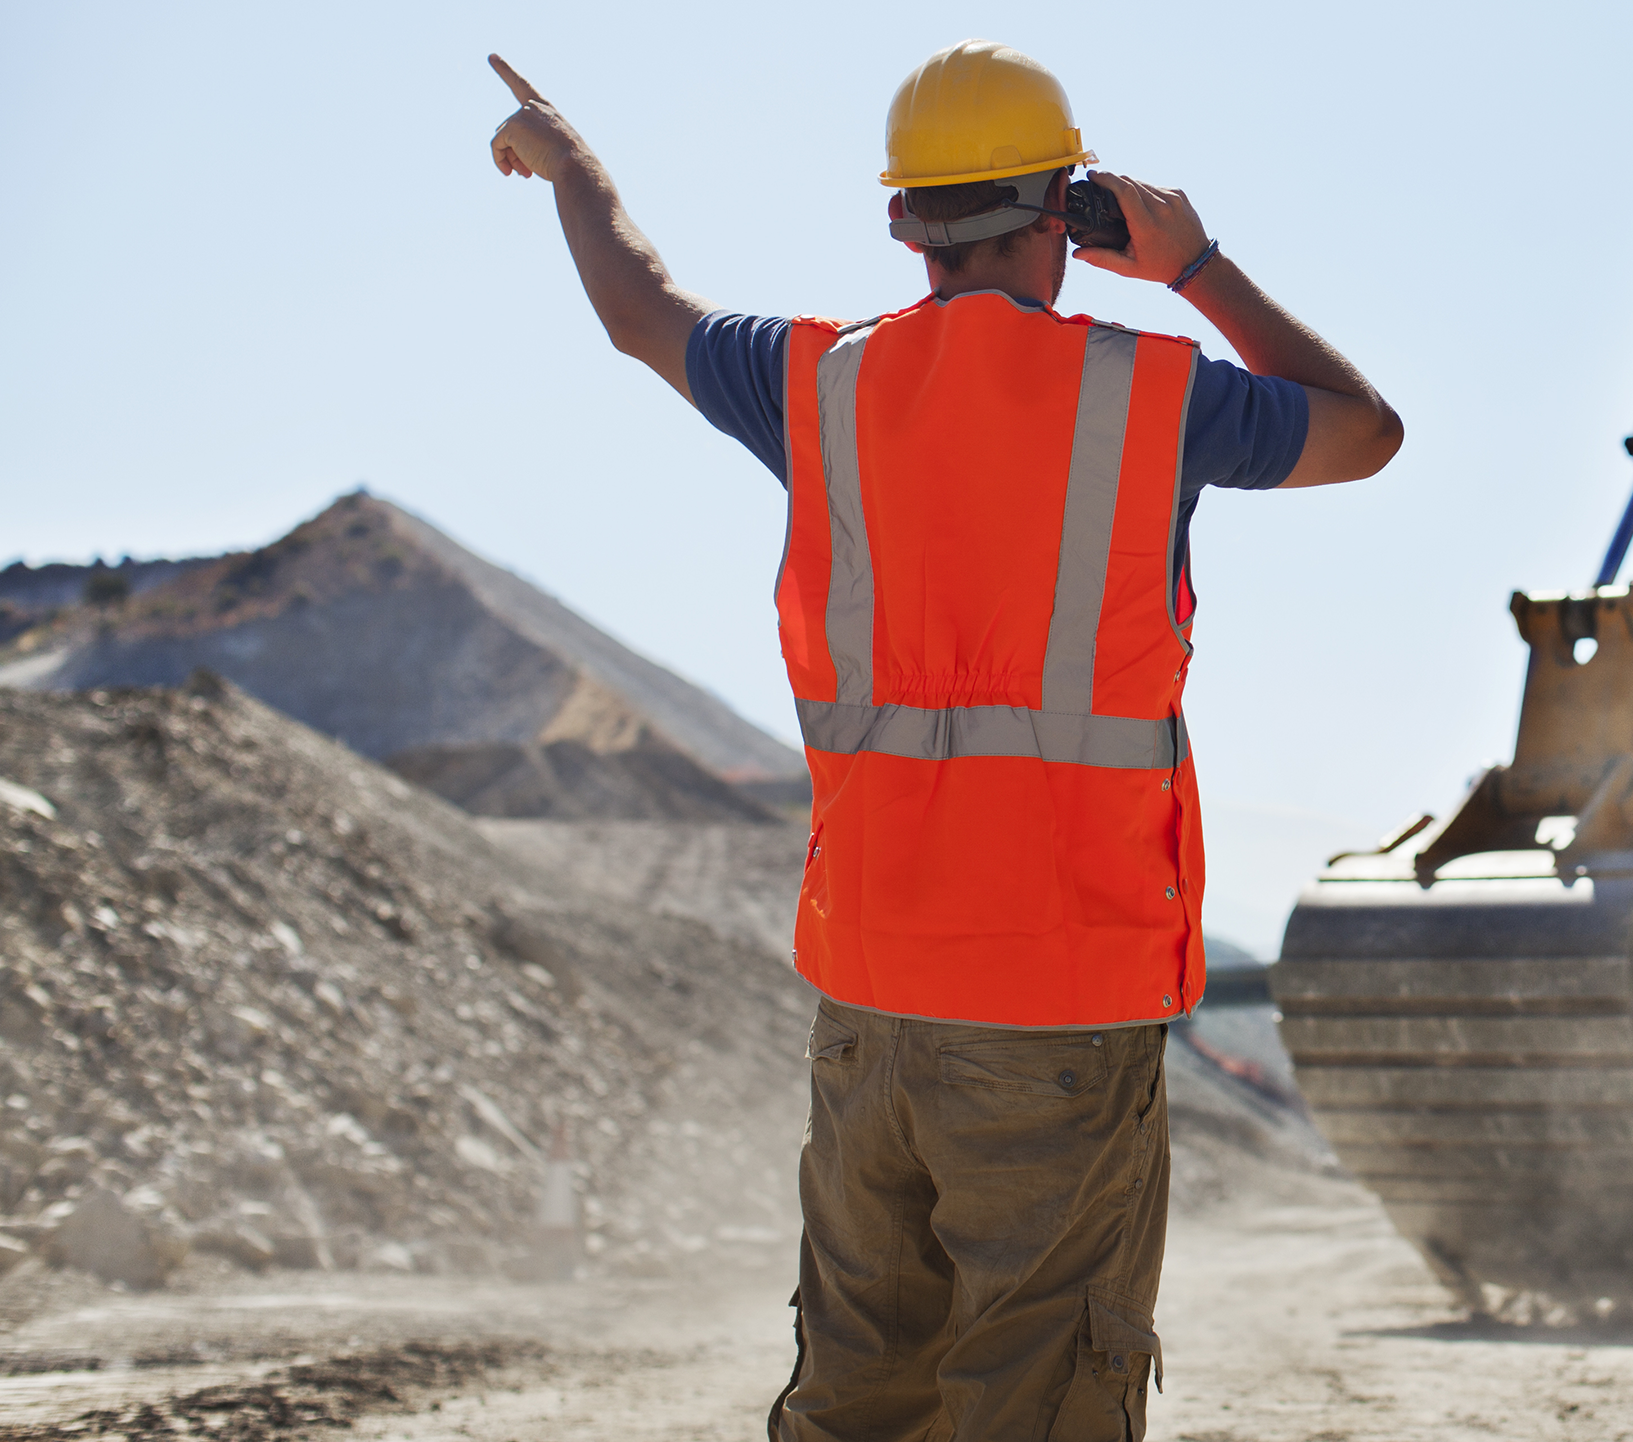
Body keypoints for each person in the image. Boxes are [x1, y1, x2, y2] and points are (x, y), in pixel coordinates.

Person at [485, 40, 1402, 1442]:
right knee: (1037, 1400)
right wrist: (1197, 264)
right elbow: (1366, 431)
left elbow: (639, 308)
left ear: (903, 220)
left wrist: (570, 161)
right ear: (1066, 214)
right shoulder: (1154, 392)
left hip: (872, 1002)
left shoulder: (818, 386)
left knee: (860, 1394)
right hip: (1061, 1005)